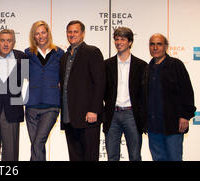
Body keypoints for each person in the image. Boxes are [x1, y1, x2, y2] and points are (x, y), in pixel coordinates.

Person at [143, 33, 196, 161]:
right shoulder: (146, 69)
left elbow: (187, 91)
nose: (155, 47)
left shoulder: (176, 65)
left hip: (173, 125)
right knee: (158, 158)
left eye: (159, 44)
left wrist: (185, 116)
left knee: (174, 158)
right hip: (153, 126)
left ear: (166, 47)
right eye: (152, 44)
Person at [60, 20, 105, 161]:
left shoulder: (92, 52)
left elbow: (100, 83)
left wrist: (94, 110)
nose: (72, 34)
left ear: (83, 34)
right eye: (69, 31)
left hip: (88, 116)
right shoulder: (64, 57)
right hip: (69, 117)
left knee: (90, 156)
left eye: (75, 31)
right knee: (74, 157)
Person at [103, 27, 147, 161]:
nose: (118, 42)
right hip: (112, 116)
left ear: (130, 42)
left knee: (134, 156)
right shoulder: (106, 64)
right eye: (116, 39)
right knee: (112, 157)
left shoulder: (141, 65)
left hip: (132, 116)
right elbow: (102, 91)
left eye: (122, 39)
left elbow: (144, 94)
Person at [0, 29, 28, 161]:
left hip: (12, 112)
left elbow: (36, 76)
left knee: (11, 155)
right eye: (2, 40)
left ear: (14, 42)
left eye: (9, 40)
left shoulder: (22, 58)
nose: (6, 44)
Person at [24, 20, 64, 161]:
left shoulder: (59, 53)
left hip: (51, 105)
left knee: (38, 142)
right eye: (37, 33)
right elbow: (14, 68)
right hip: (31, 106)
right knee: (37, 145)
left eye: (43, 32)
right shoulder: (27, 53)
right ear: (33, 36)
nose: (40, 36)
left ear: (48, 33)